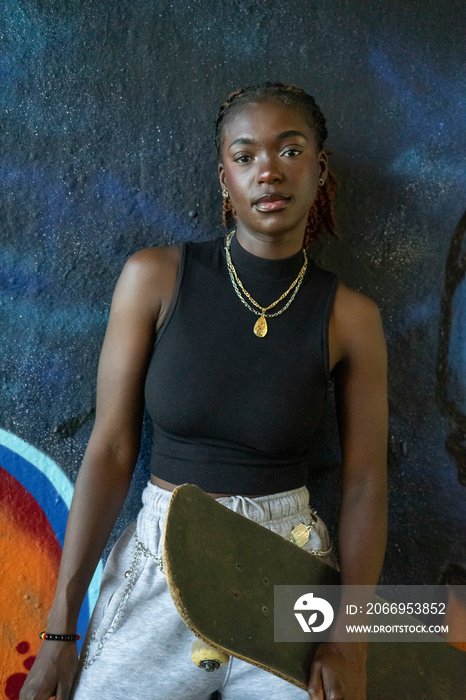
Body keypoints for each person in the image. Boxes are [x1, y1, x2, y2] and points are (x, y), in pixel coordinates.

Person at [20, 82, 388, 700]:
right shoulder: (155, 279)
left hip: (289, 576)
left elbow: (367, 484)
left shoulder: (350, 318)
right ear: (224, 177)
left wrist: (348, 637)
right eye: (245, 157)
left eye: (289, 151)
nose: (268, 171)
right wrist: (60, 633)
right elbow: (110, 451)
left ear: (320, 170)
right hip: (162, 562)